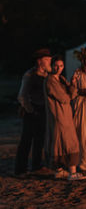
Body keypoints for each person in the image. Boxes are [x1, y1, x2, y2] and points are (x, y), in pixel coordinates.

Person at [44, 56, 86, 180]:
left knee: (61, 141)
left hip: (66, 115)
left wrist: (72, 84)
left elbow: (72, 95)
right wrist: (69, 93)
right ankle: (72, 172)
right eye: (56, 65)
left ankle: (60, 170)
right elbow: (64, 98)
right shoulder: (50, 80)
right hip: (58, 115)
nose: (59, 68)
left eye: (61, 66)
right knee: (68, 141)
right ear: (52, 66)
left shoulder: (61, 79)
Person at [15, 48, 52, 176]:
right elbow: (22, 95)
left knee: (39, 140)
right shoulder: (29, 75)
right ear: (40, 61)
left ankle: (37, 166)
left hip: (43, 110)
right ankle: (20, 169)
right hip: (31, 110)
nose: (49, 61)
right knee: (26, 140)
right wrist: (30, 110)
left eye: (49, 59)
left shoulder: (47, 75)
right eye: (47, 60)